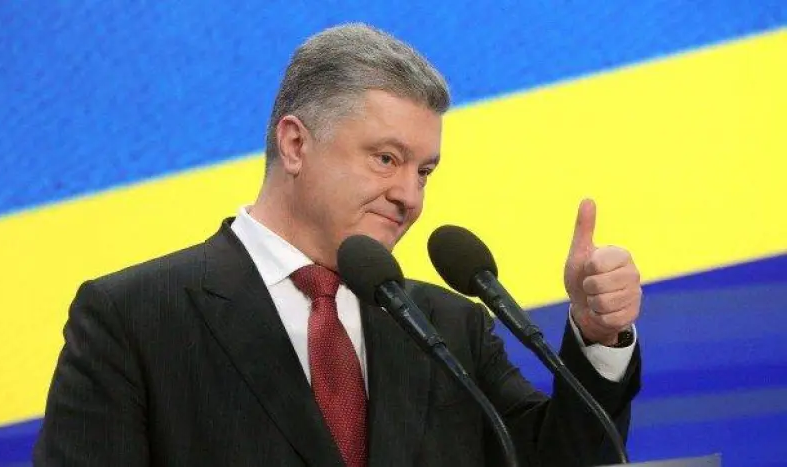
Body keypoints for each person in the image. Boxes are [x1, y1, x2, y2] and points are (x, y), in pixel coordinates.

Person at [34, 23, 641, 466]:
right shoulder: (135, 318)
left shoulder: (450, 327)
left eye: (424, 171)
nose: (409, 196)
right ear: (296, 145)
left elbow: (556, 459)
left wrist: (597, 336)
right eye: (386, 159)